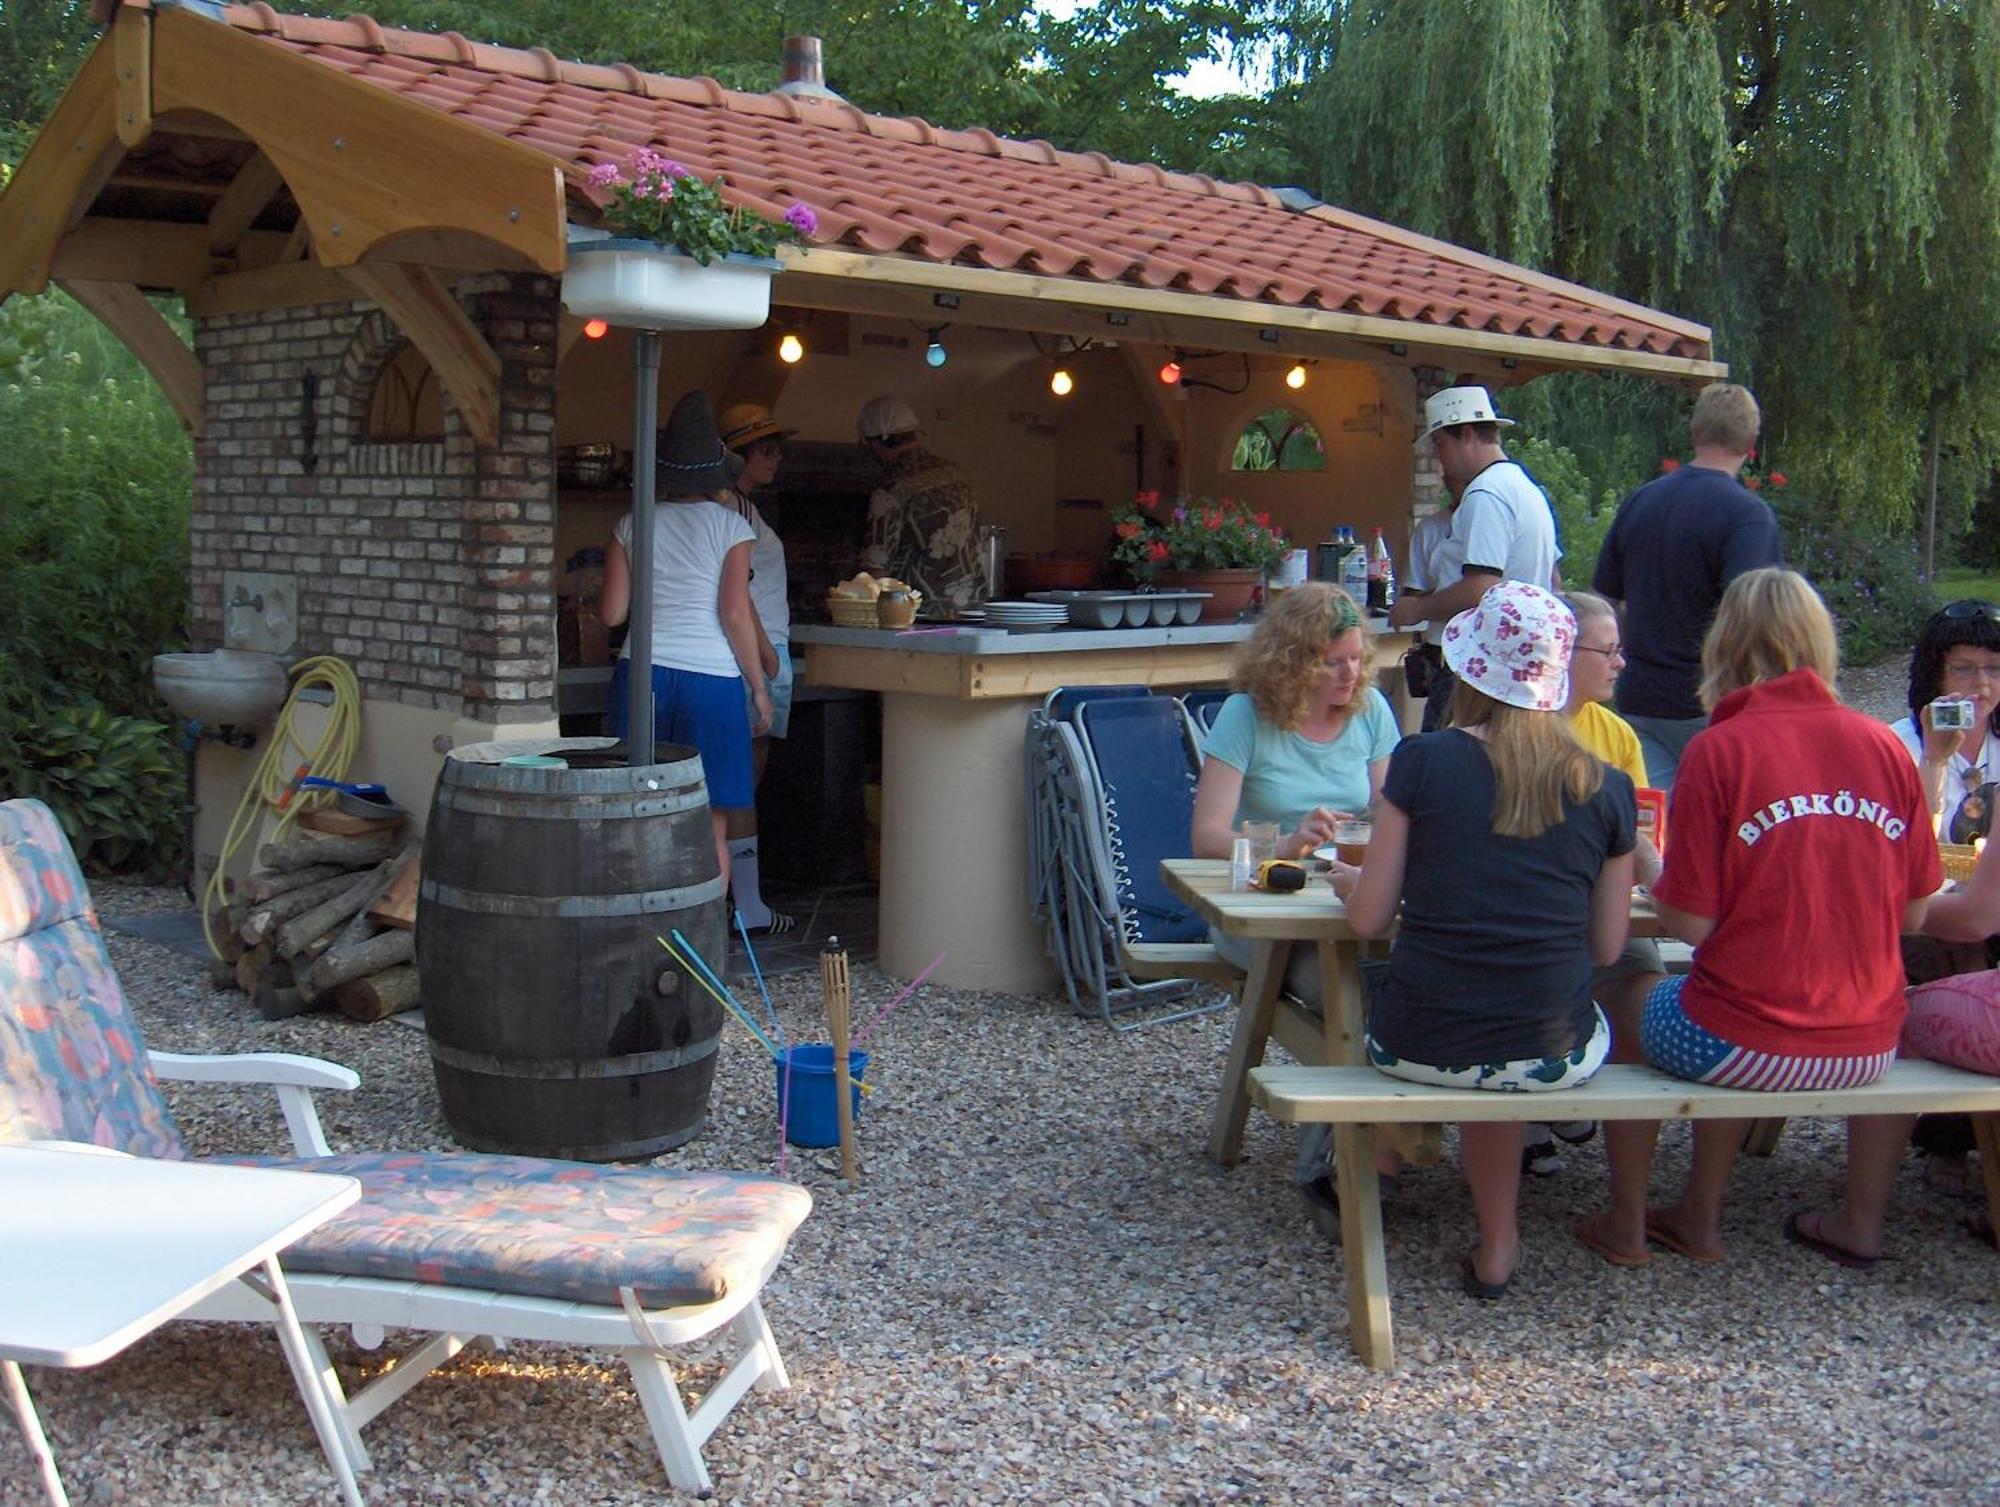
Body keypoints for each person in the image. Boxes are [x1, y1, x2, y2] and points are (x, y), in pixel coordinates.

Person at [1584, 569, 1938, 1272]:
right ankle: (1751, 1216)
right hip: (1869, 1044)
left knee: (1629, 981)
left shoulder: (1722, 748)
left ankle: (1630, 1222)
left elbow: (1689, 924)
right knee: (1718, 996)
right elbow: (1916, 911)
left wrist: (1650, 858)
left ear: (1727, 647)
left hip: (1745, 1041)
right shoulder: (1885, 747)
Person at [1330, 582, 1637, 1298]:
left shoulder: (1423, 761)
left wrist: (1355, 884)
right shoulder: (1609, 785)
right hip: (1550, 1050)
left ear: (1468, 670)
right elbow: (1606, 947)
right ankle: (1497, 1242)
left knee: (1368, 991)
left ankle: (1375, 1167)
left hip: (1423, 1042)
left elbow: (1369, 921)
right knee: (1511, 1020)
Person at [1189, 582, 1401, 1229]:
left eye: (1358, 659)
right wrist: (1286, 841)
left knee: (1396, 987)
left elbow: (1393, 816)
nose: (1350, 673)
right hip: (1261, 909)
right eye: (1333, 660)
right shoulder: (1246, 715)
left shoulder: (1370, 714)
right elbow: (1206, 836)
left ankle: (1377, 1150)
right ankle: (1331, 1170)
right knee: (1351, 997)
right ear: (1294, 658)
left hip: (1342, 901)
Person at [599, 390, 771, 889]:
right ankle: (705, 943)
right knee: (709, 825)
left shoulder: (630, 525)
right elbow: (735, 614)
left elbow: (612, 614)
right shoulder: (731, 527)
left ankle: (641, 930)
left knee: (638, 815)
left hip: (642, 676)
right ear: (715, 473)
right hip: (711, 681)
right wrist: (758, 687)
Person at [1591, 382, 1782, 792]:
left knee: (1656, 830)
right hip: (1713, 701)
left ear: (1695, 433)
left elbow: (1606, 598)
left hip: (1641, 695)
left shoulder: (1641, 501)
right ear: (1751, 442)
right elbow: (1751, 618)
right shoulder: (1748, 516)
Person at [1890, 600, 2000, 1187]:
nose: (1981, 685)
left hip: (1981, 910)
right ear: (1935, 672)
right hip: (1914, 913)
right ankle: (1953, 1139)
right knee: (1958, 952)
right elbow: (1898, 861)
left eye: (1993, 668)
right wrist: (1935, 761)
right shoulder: (1897, 747)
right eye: (1964, 668)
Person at [1385, 386, 1561, 731]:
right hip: (1517, 665)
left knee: (1446, 768)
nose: (1439, 458)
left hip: (1475, 668)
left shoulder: (1486, 493)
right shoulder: (1525, 488)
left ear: (1467, 434)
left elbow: (1481, 588)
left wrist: (1416, 609)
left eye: (1441, 445)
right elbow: (1554, 579)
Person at [716, 401, 798, 935]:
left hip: (758, 650)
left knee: (741, 784)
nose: (776, 457)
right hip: (755, 655)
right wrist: (766, 661)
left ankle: (743, 903)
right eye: (765, 448)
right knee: (740, 785)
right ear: (735, 454)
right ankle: (746, 906)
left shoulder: (743, 506)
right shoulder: (734, 508)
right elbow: (738, 596)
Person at [855, 395, 985, 611]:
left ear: (878, 442)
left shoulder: (891, 490)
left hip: (918, 614)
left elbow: (874, 572)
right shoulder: (959, 476)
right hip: (972, 607)